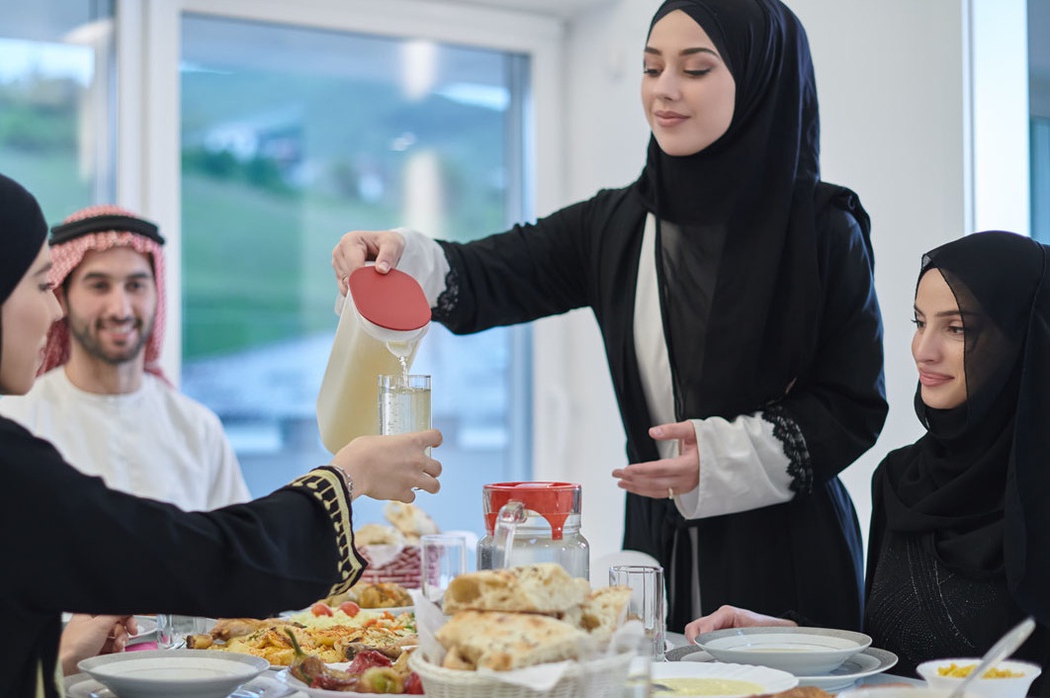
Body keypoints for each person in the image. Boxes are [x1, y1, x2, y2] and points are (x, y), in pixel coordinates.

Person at [331, 0, 886, 632]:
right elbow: (484, 274)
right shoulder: (617, 225)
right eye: (652, 68)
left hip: (789, 562)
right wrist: (395, 256)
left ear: (760, 82)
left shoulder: (822, 231)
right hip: (655, 556)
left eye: (696, 69)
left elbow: (852, 404)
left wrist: (722, 455)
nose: (665, 90)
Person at [0, 155, 443, 698]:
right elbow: (197, 557)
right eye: (39, 285)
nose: (53, 310)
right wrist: (348, 477)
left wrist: (60, 650)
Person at [686, 231, 1050, 693]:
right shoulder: (902, 479)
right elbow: (886, 653)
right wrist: (777, 636)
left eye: (956, 328)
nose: (924, 349)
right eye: (919, 322)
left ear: (1023, 339)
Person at [0, 205, 250, 512]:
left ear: (157, 294)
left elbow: (236, 549)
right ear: (62, 297)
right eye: (99, 286)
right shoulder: (17, 422)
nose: (121, 309)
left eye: (136, 286)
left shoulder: (197, 429)